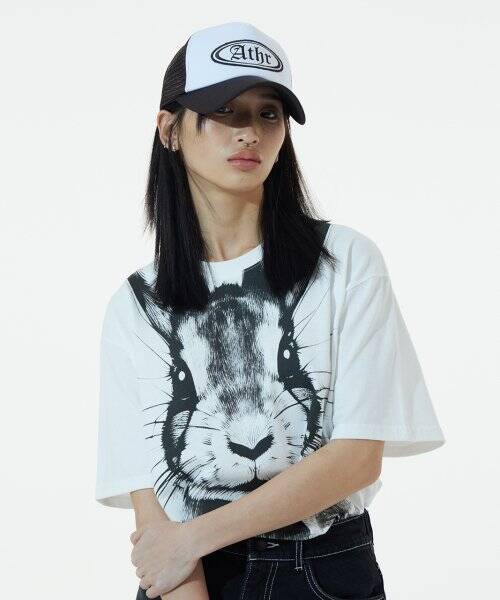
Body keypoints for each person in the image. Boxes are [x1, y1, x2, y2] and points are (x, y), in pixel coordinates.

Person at [95, 21, 446, 600]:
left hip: (323, 570)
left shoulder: (345, 262)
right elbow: (152, 511)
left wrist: (193, 537)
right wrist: (183, 554)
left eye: (268, 113)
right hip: (190, 579)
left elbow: (358, 457)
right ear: (170, 130)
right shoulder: (135, 305)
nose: (250, 132)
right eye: (225, 110)